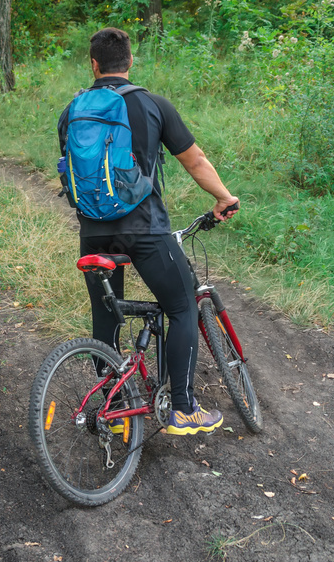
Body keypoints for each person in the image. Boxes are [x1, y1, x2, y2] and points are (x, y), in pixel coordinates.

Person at [57, 27, 239, 435]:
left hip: (93, 234)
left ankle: (116, 410)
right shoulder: (152, 105)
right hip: (144, 230)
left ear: (93, 64)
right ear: (130, 62)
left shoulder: (72, 111)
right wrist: (224, 198)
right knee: (181, 307)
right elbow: (195, 161)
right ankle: (183, 408)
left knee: (106, 317)